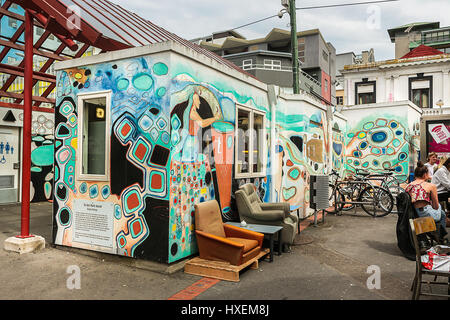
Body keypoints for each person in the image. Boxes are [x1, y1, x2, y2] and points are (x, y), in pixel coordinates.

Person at [405, 162, 448, 241]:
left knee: (440, 212)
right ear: (425, 174)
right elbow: (435, 206)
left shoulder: (409, 185)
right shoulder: (430, 186)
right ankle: (439, 237)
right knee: (442, 212)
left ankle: (433, 236)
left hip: (414, 213)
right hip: (426, 214)